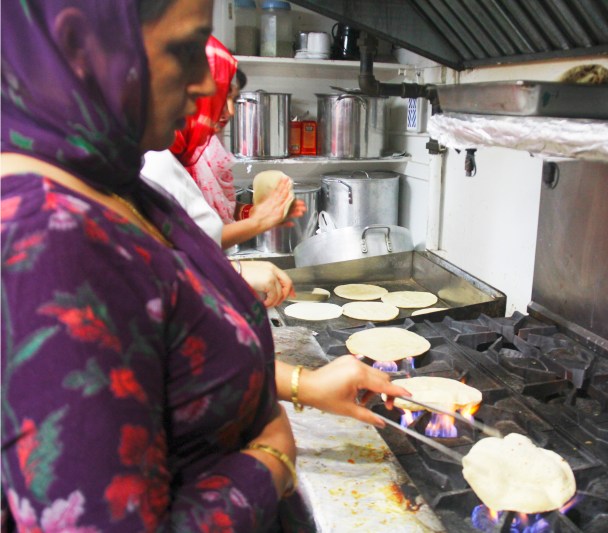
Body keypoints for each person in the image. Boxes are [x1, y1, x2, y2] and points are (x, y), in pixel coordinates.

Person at [0, 1, 409, 531]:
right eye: (187, 49)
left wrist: (301, 385)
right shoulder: (50, 240)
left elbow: (172, 355)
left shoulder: (111, 180)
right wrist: (272, 461)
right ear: (80, 44)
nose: (202, 85)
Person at [141, 36, 300, 307]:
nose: (228, 112)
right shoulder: (153, 159)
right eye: (219, 97)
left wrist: (253, 213)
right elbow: (171, 252)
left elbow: (195, 219)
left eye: (233, 100)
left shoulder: (192, 149)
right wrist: (240, 263)